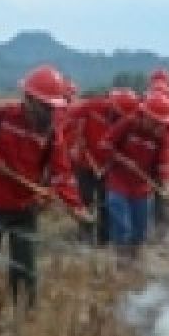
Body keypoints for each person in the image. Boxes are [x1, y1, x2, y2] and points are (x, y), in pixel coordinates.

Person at [0, 65, 89, 314]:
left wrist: (75, 206)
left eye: (53, 107)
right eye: (46, 107)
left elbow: (62, 173)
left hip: (26, 209)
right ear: (29, 99)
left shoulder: (51, 133)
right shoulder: (0, 117)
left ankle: (25, 318)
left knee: (25, 268)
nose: (50, 113)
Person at [98, 91, 169, 265]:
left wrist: (166, 185)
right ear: (145, 115)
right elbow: (104, 145)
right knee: (122, 226)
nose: (158, 126)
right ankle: (121, 262)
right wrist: (123, 159)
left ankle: (135, 262)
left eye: (161, 123)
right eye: (155, 122)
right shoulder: (128, 123)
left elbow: (164, 162)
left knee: (140, 232)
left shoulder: (160, 136)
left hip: (141, 188)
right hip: (118, 183)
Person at [65, 87, 138, 244]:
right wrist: (75, 136)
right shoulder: (94, 105)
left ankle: (104, 240)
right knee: (85, 200)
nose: (119, 118)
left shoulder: (128, 122)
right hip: (85, 161)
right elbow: (69, 116)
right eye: (117, 114)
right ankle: (85, 237)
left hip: (107, 166)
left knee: (105, 203)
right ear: (112, 106)